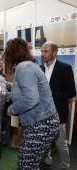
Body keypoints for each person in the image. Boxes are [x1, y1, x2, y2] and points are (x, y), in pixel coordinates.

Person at [4, 37, 60, 170]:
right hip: (41, 123)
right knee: (30, 163)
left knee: (26, 165)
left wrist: (12, 109)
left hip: (40, 125)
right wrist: (7, 85)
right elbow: (23, 88)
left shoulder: (23, 68)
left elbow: (31, 99)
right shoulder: (28, 66)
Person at [40, 41, 76, 170]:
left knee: (61, 143)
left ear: (54, 53)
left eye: (45, 51)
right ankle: (47, 161)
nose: (42, 54)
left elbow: (72, 92)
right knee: (45, 141)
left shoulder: (65, 68)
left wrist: (50, 94)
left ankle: (65, 166)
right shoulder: (40, 68)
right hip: (42, 113)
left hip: (58, 113)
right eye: (41, 51)